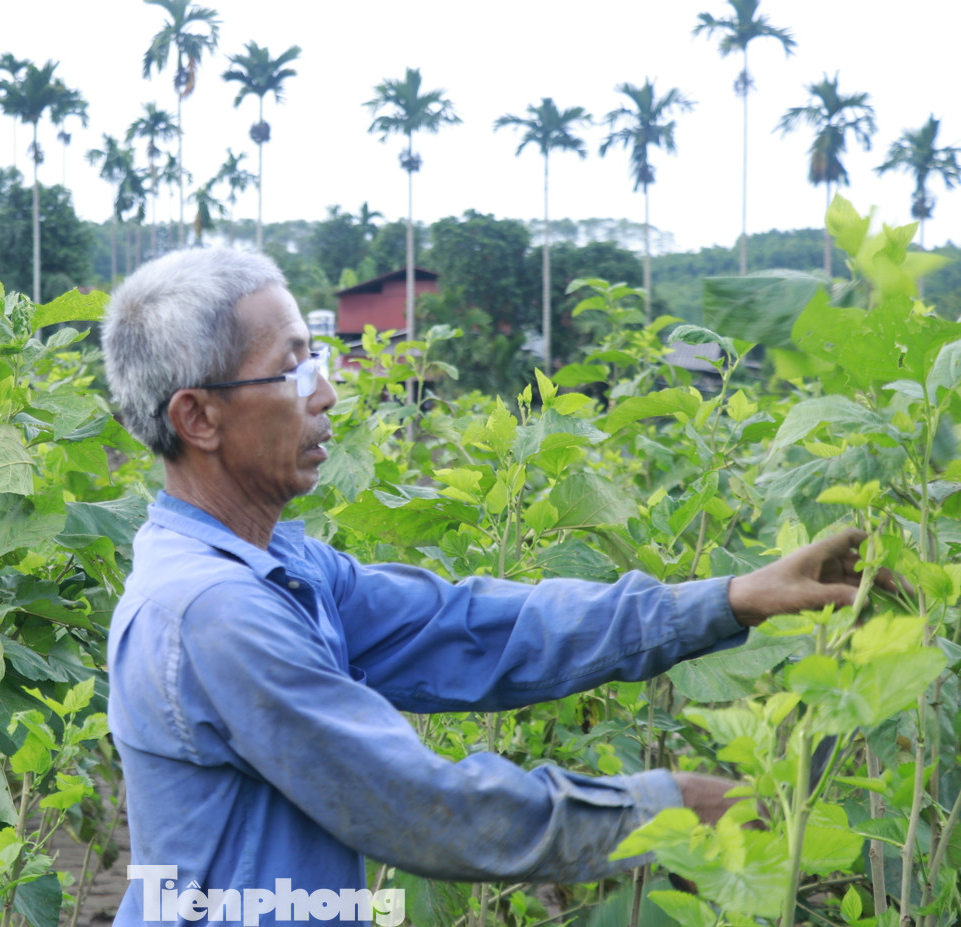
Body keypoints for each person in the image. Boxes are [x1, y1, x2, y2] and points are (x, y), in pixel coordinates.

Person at [100, 247, 870, 926]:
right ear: (197, 417)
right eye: (293, 366)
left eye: (319, 357)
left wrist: (731, 596)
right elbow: (423, 807)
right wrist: (661, 806)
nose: (326, 391)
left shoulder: (279, 570)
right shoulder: (214, 612)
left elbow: (469, 627)